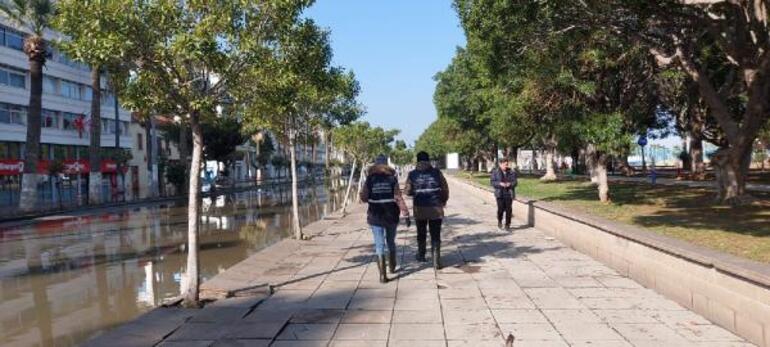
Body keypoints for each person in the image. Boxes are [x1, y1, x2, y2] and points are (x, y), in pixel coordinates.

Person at [360, 155, 410, 283]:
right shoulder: (392, 178)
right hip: (391, 215)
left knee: (379, 244)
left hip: (375, 215)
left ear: (375, 165)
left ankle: (383, 275)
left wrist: (368, 195)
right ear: (386, 165)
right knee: (390, 241)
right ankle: (392, 266)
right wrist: (406, 213)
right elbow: (398, 197)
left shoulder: (370, 179)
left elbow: (364, 197)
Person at [405, 151, 449, 270]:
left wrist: (415, 191)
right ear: (428, 160)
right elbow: (445, 188)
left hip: (420, 209)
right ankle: (436, 260)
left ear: (417, 161)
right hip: (435, 208)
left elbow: (407, 191)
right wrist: (443, 200)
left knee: (421, 232)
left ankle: (421, 254)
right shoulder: (437, 172)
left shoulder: (412, 174)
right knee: (435, 234)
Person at [490, 158, 517, 230]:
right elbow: (492, 182)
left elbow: (515, 182)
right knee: (500, 209)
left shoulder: (512, 172)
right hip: (500, 193)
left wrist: (510, 184)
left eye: (507, 164)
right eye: (505, 165)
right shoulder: (495, 172)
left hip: (509, 193)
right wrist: (499, 184)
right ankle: (499, 221)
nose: (506, 166)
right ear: (500, 164)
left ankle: (508, 224)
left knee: (509, 210)